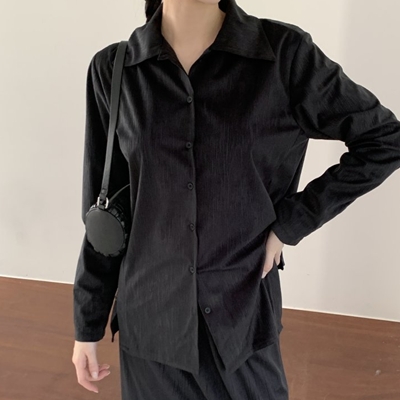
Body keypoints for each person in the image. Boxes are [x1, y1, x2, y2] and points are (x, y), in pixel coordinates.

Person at [71, 0, 400, 399]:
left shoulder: (283, 55)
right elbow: (104, 213)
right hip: (150, 326)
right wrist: (87, 324)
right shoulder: (114, 69)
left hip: (240, 317)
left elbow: (384, 140)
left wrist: (291, 223)